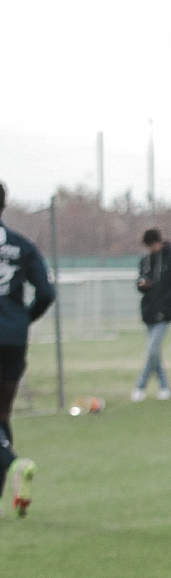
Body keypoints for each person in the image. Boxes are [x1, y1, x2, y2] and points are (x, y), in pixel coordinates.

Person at [0, 181, 55, 517]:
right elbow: (46, 293)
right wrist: (22, 320)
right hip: (13, 338)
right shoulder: (21, 245)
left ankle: (13, 463)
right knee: (2, 414)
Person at [134, 227, 171, 401]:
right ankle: (164, 387)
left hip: (164, 311)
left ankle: (140, 386)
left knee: (152, 350)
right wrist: (143, 285)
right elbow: (140, 282)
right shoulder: (146, 260)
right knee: (154, 353)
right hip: (148, 311)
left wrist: (165, 299)